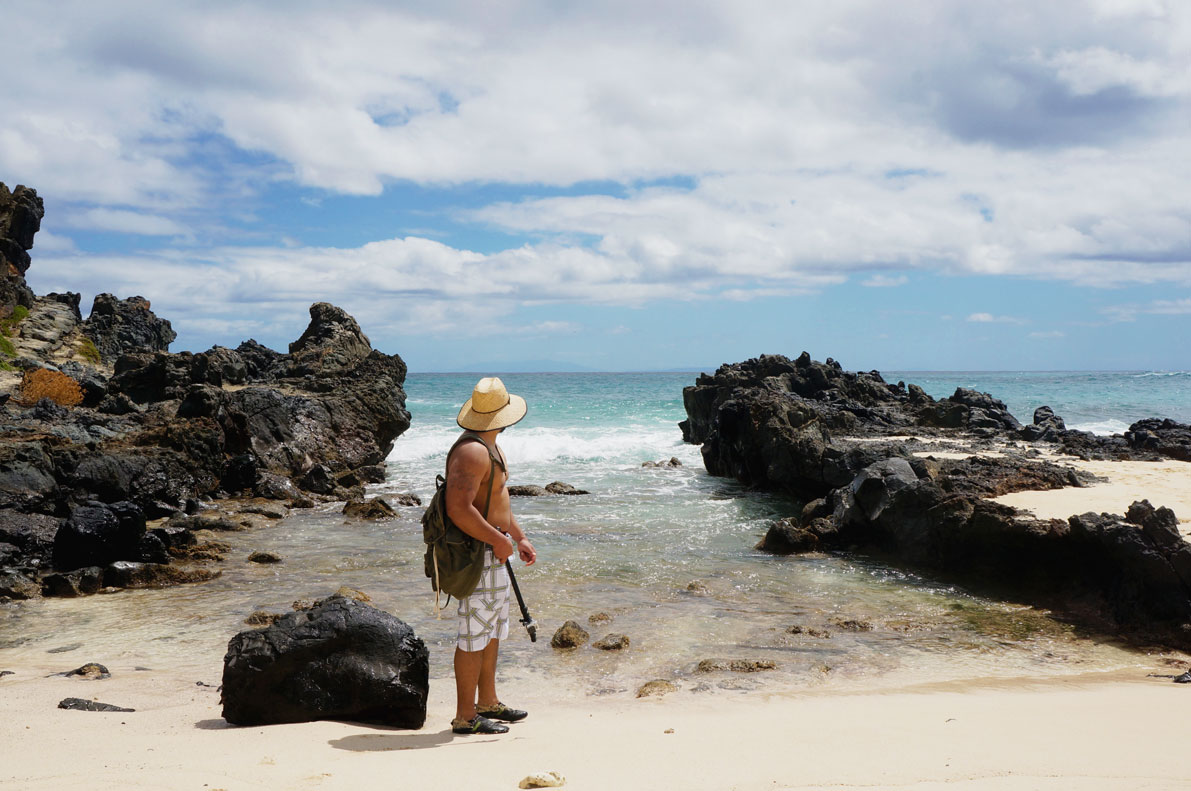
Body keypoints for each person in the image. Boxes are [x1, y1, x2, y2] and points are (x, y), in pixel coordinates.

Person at [445, 376, 537, 735]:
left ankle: (487, 702)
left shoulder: (491, 447)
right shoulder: (472, 452)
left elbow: (497, 500)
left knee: (492, 630)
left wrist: (519, 536)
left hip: (493, 550)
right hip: (477, 554)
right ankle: (465, 717)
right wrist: (497, 541)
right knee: (472, 635)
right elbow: (458, 508)